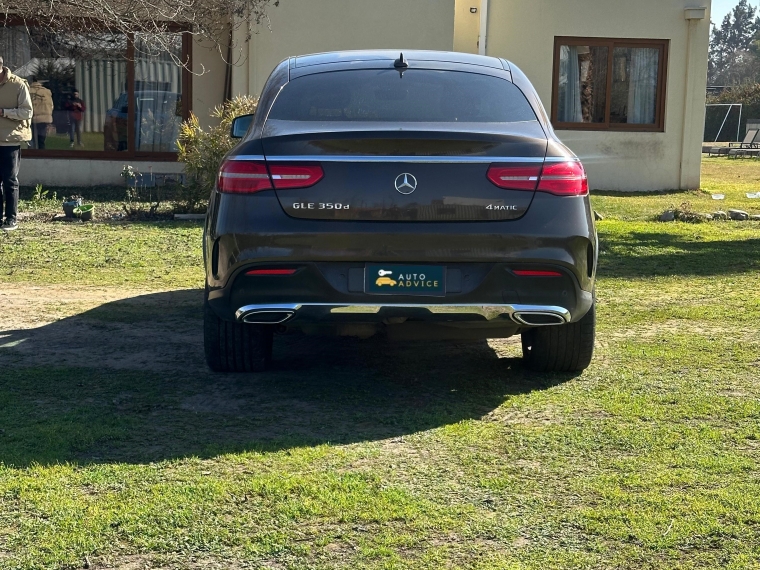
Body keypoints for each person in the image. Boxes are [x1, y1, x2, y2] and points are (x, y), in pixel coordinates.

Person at [0, 55, 33, 232]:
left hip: (10, 140)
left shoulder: (18, 84)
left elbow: (27, 112)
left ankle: (11, 219)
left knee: (10, 180)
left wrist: (4, 112)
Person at [29, 77, 53, 150]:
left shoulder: (28, 91)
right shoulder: (47, 91)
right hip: (45, 118)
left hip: (34, 117)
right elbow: (51, 105)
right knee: (41, 138)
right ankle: (42, 153)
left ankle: (32, 154)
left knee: (32, 139)